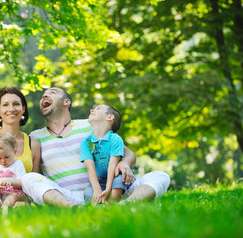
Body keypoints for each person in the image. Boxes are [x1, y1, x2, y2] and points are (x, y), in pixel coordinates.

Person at [21, 87, 170, 206]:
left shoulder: (89, 125)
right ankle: (71, 207)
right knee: (29, 178)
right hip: (68, 195)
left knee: (160, 176)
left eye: (52, 93)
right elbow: (37, 175)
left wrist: (124, 163)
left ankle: (125, 205)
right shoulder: (35, 136)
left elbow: (129, 153)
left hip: (109, 190)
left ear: (67, 102)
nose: (44, 97)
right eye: (43, 96)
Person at [80, 104, 135, 204]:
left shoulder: (115, 139)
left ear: (109, 117)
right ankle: (104, 202)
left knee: (119, 181)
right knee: (88, 193)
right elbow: (90, 168)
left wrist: (108, 189)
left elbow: (112, 165)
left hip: (116, 175)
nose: (92, 110)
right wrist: (97, 190)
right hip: (100, 180)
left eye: (98, 108)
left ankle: (110, 204)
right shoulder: (85, 142)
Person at [0, 133, 28, 207]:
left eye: (6, 157)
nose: (3, 161)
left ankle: (6, 205)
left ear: (14, 151)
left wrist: (11, 182)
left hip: (14, 191)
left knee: (13, 195)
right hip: (0, 190)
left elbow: (22, 183)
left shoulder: (18, 164)